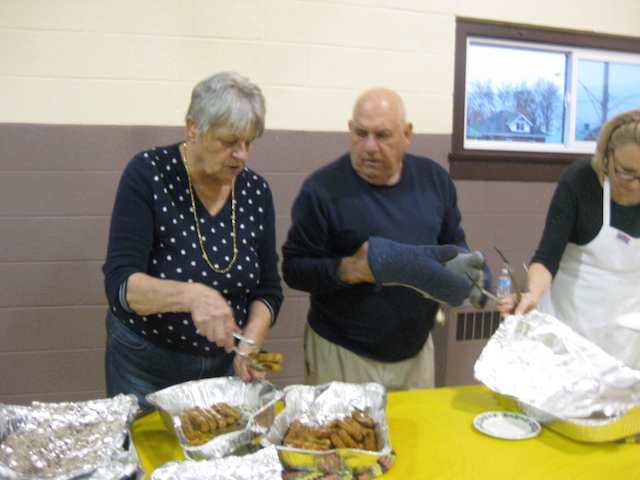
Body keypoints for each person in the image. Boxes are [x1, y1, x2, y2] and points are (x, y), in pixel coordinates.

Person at [281, 87, 489, 391]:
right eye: (360, 134)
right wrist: (349, 270)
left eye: (382, 135)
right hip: (342, 353)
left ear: (407, 134)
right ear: (350, 129)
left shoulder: (434, 180)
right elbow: (294, 269)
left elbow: (453, 242)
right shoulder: (322, 189)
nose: (369, 147)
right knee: (343, 426)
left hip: (416, 352)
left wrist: (468, 269)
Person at [102, 72, 283, 410]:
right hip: (145, 364)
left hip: (223, 366)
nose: (241, 155)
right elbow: (121, 285)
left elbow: (268, 289)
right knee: (144, 443)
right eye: (229, 142)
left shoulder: (256, 191)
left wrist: (252, 341)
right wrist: (191, 296)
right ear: (192, 129)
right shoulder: (148, 174)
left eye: (248, 143)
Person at [498, 108, 640, 369]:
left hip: (628, 344)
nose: (634, 184)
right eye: (625, 172)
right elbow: (547, 257)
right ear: (607, 154)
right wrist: (532, 294)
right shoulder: (581, 179)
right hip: (568, 335)